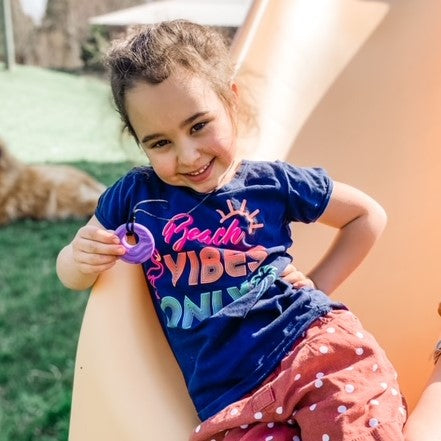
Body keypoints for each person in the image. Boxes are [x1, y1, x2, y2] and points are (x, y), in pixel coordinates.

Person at [57, 20, 407, 441]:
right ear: (139, 142)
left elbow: (367, 216)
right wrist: (79, 257)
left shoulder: (271, 183)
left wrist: (318, 282)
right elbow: (69, 273)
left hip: (313, 350)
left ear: (231, 102)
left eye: (199, 125)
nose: (188, 155)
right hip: (233, 403)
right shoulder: (135, 195)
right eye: (160, 143)